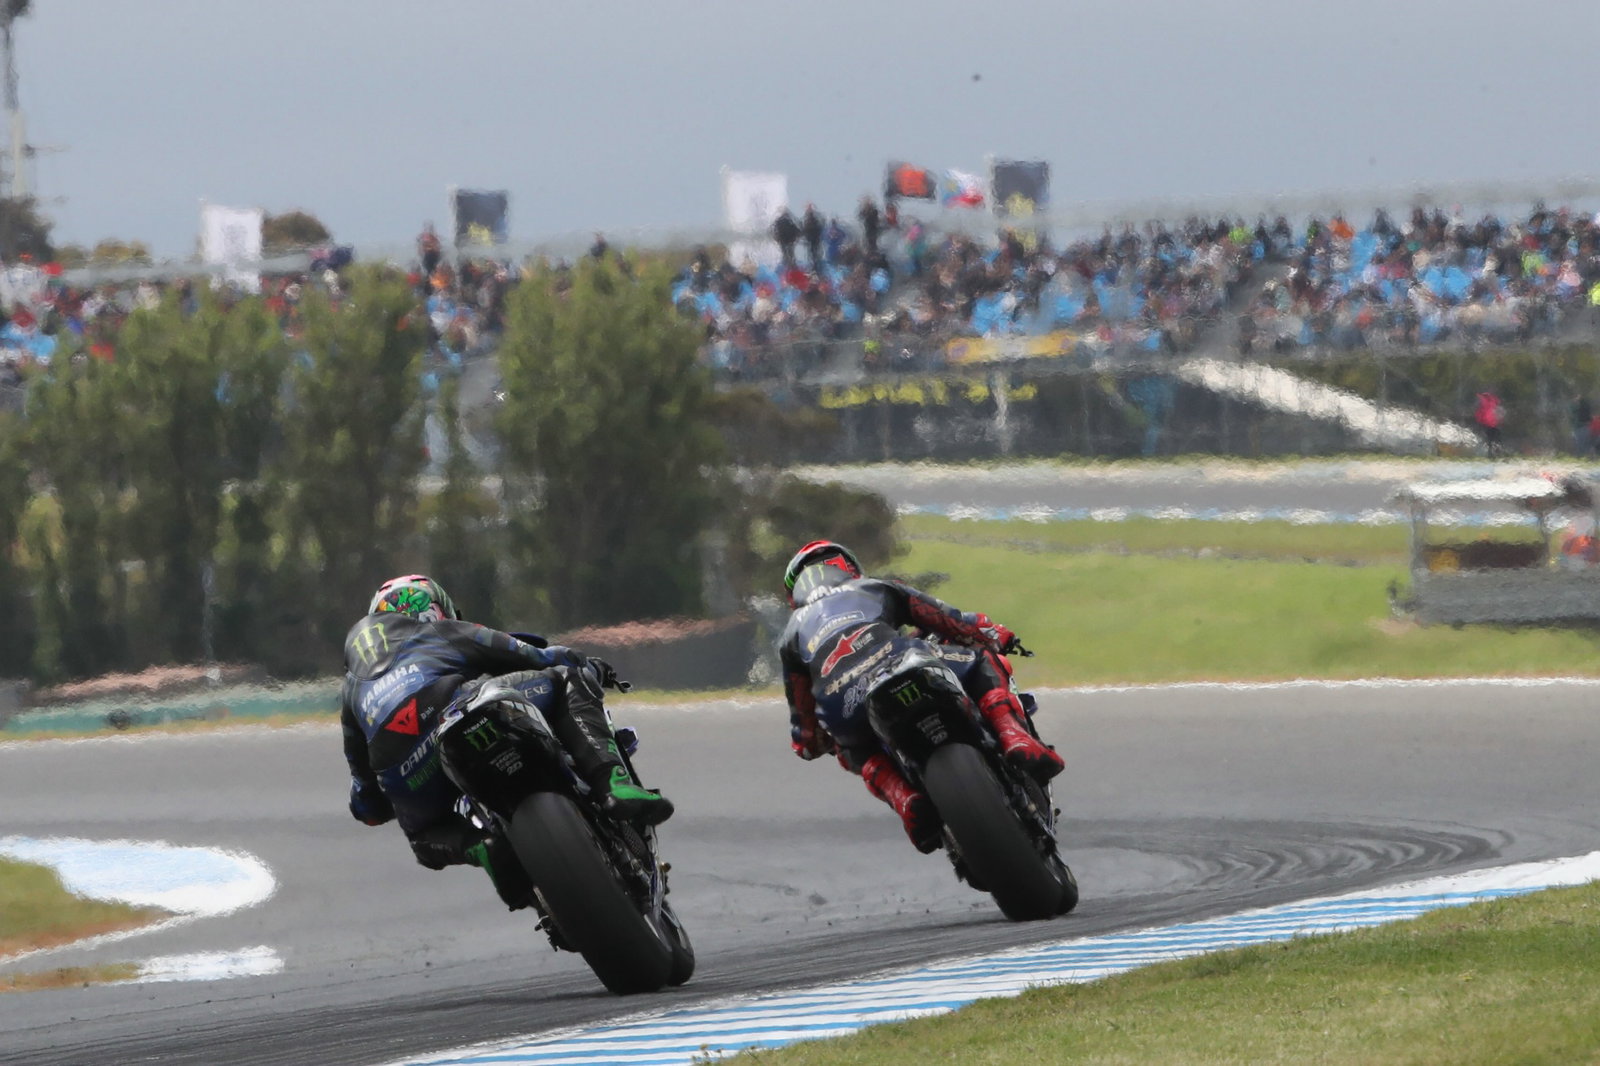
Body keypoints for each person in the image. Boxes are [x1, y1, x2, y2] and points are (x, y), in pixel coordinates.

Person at [341, 574, 673, 910]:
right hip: (457, 709)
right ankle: (614, 784)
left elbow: (365, 799)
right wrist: (588, 664)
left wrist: (378, 803)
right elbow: (534, 656)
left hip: (403, 769)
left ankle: (482, 846)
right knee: (566, 679)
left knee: (424, 838)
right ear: (436, 608)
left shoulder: (352, 688)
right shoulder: (442, 632)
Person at [776, 541, 1062, 854]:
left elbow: (803, 721)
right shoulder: (875, 588)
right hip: (902, 661)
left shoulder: (792, 633)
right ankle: (1013, 736)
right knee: (983, 659)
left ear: (794, 595)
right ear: (847, 568)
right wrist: (995, 633)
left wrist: (811, 743)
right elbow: (952, 621)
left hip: (843, 703)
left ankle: (903, 797)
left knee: (850, 748)